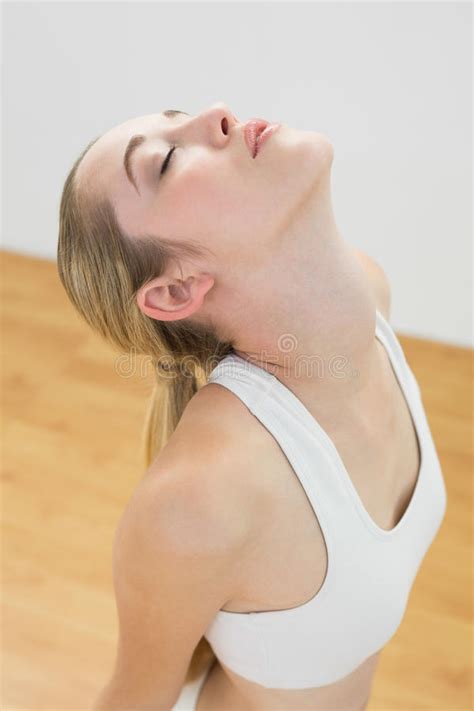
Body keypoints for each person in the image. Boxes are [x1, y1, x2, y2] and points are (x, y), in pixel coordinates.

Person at [57, 101, 447, 711]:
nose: (216, 113)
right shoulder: (199, 498)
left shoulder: (371, 297)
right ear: (177, 289)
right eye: (164, 161)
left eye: (180, 112)